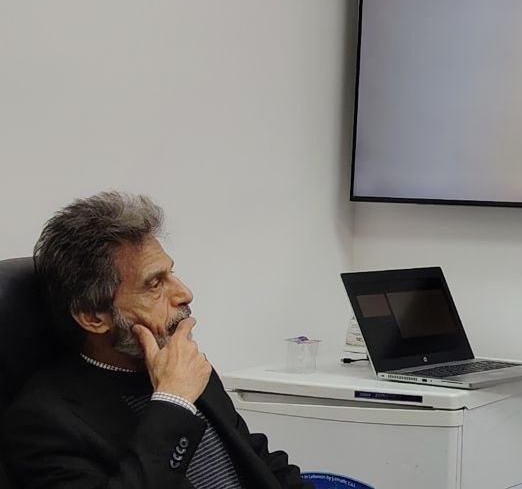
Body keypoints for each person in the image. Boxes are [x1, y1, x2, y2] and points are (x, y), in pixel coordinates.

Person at [2, 191, 313, 489]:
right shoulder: (45, 423)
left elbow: (258, 460)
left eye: (171, 274)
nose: (184, 293)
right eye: (154, 284)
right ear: (94, 316)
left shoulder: (183, 363)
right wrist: (172, 401)